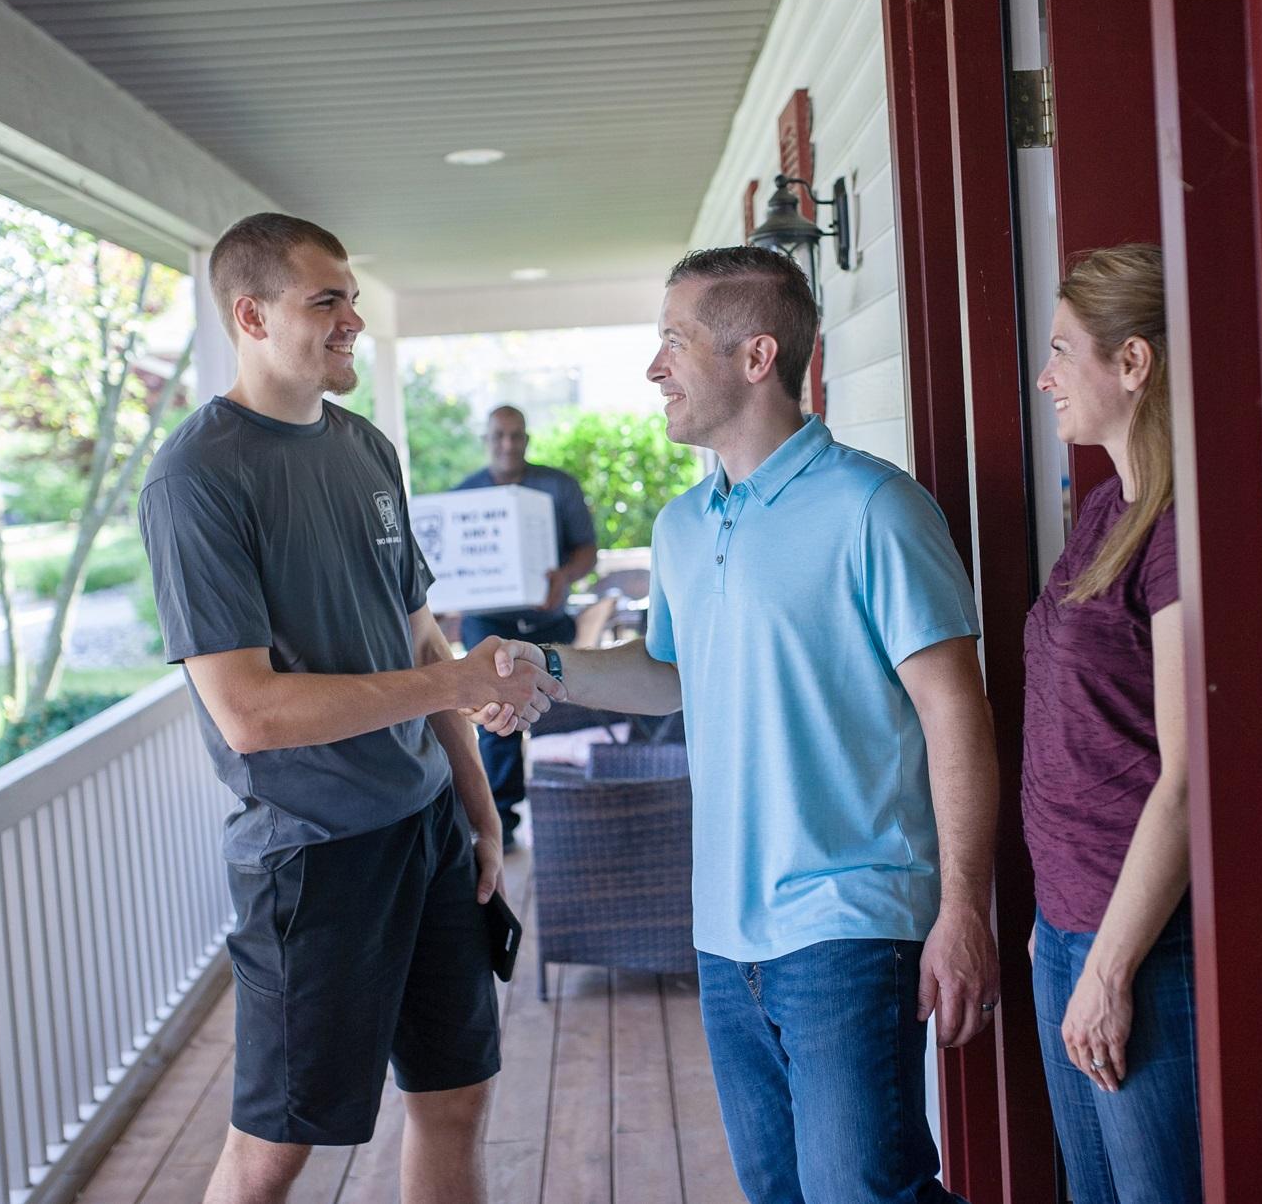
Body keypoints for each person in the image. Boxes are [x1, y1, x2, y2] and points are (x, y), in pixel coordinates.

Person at [488, 246, 1001, 1203]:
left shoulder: (876, 509)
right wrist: (544, 668)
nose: (654, 370)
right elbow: (669, 678)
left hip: (851, 919)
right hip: (724, 931)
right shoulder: (683, 526)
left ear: (755, 355)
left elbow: (956, 715)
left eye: (672, 344)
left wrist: (965, 909)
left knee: (863, 1192)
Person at [136, 213, 558, 1204]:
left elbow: (418, 639)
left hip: (427, 835)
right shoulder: (195, 479)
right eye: (325, 300)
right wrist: (455, 684)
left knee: (456, 1097)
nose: (352, 320)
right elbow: (248, 713)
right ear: (249, 315)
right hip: (313, 855)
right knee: (274, 1147)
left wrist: (478, 811)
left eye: (351, 298)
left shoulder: (366, 446)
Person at [1025, 243, 1200, 1202]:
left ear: (1131, 364)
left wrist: (1110, 969)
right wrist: (1060, 938)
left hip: (1142, 943)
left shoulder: (1178, 532)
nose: (1046, 377)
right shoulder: (1105, 508)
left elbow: (1186, 777)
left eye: (1063, 351)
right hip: (1068, 924)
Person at [451, 405, 597, 847]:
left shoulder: (559, 486)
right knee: (497, 713)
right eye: (499, 435)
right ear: (487, 439)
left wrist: (564, 577)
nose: (508, 444)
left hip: (547, 619)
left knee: (562, 703)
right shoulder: (464, 496)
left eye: (516, 435)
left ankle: (571, 803)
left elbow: (587, 550)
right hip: (488, 624)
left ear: (527, 439)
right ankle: (502, 820)